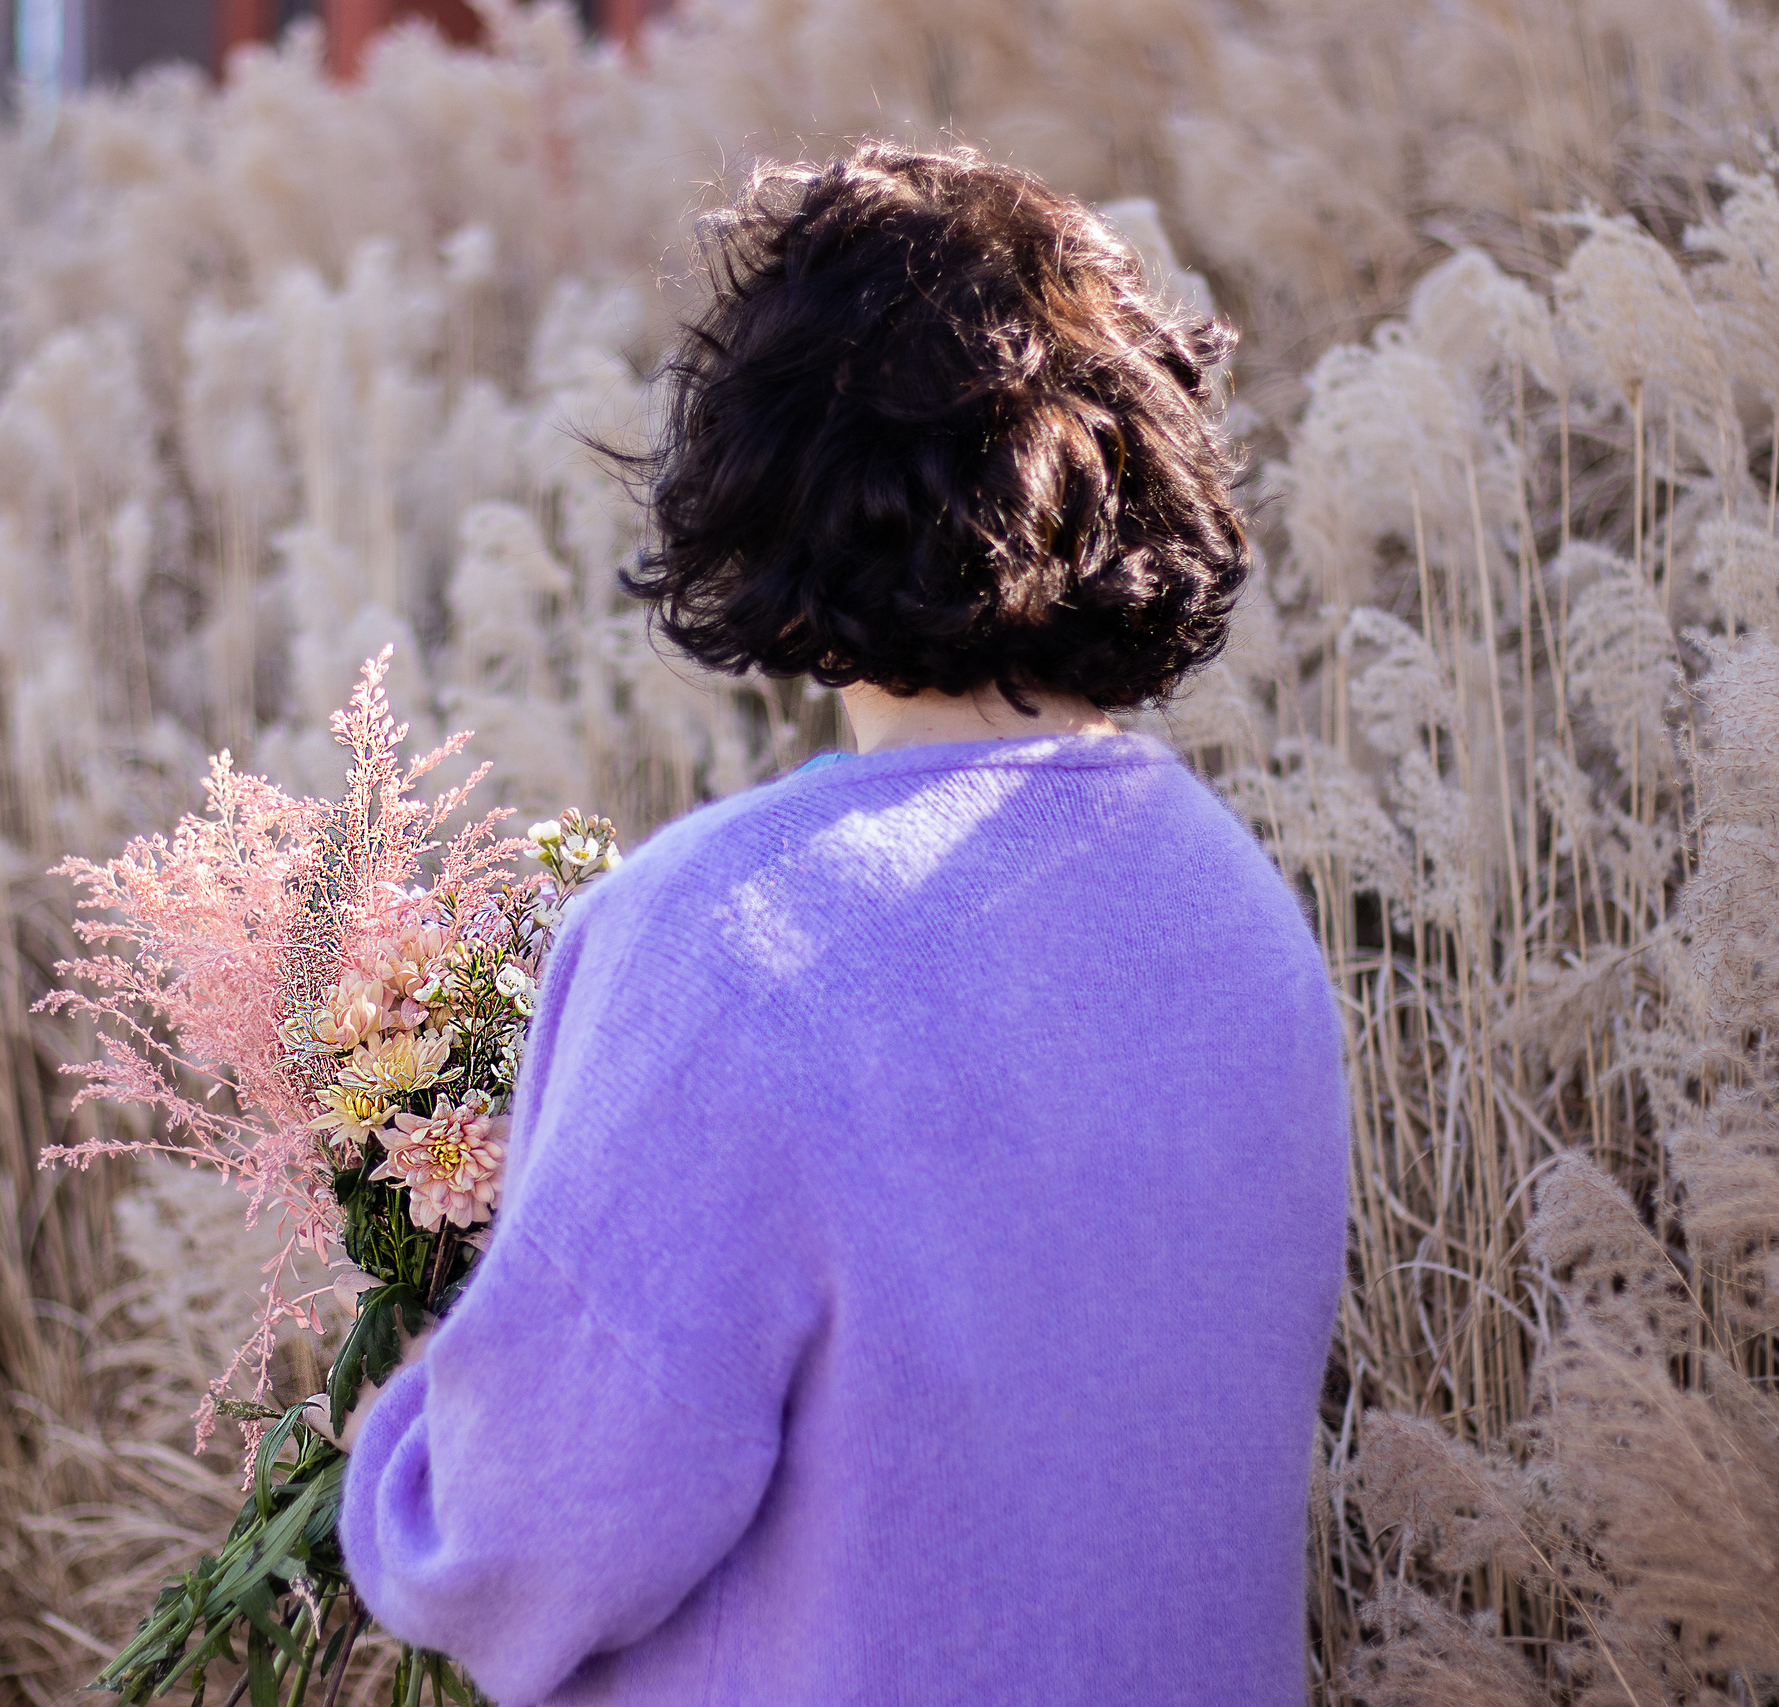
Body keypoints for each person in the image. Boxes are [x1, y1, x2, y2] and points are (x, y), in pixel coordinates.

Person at [333, 142, 1348, 1705]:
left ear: (779, 491)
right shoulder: (1241, 918)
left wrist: (407, 1424)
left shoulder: (727, 945)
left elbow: (523, 1540)